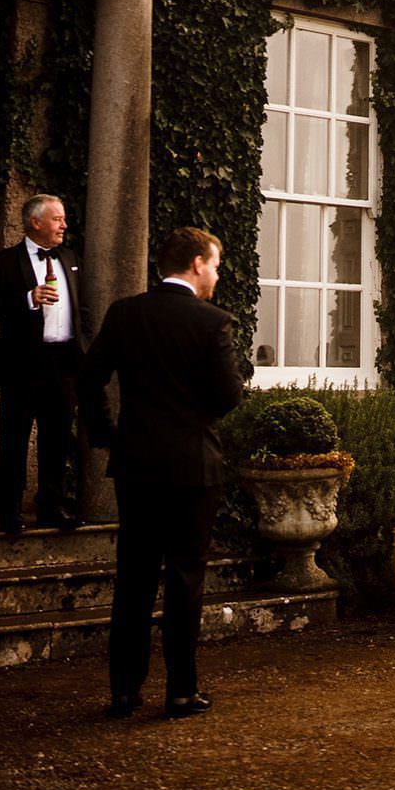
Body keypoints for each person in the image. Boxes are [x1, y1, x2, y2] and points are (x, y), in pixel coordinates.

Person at [80, 227, 244, 720]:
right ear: (196, 263)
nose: (216, 274)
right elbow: (229, 396)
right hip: (194, 466)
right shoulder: (212, 322)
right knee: (185, 578)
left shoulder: (126, 314)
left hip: (137, 463)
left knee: (133, 577)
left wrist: (106, 433)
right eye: (214, 265)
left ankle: (125, 692)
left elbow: (89, 376)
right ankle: (180, 692)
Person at [0, 194, 91, 535]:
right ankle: (9, 513)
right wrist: (29, 298)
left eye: (64, 219)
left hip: (63, 362)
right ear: (35, 222)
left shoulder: (70, 258)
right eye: (57, 219)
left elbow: (80, 308)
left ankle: (51, 509)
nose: (64, 225)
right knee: (13, 439)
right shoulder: (3, 262)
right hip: (23, 364)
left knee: (56, 439)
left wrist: (84, 347)